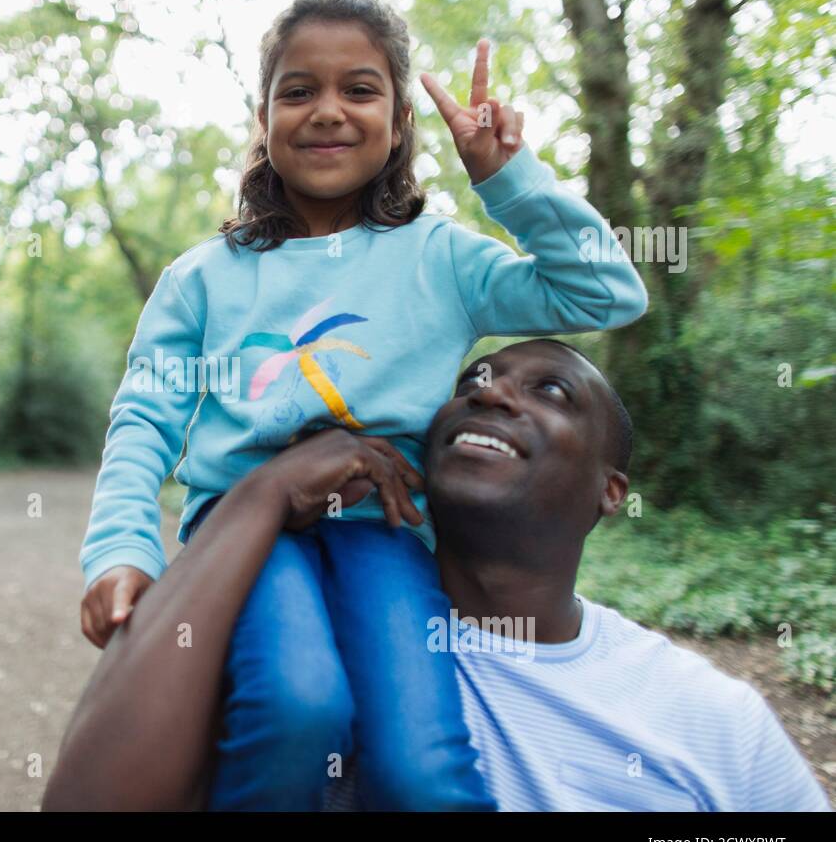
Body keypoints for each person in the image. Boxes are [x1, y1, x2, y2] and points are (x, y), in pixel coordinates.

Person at [77, 0, 649, 810]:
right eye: (299, 90)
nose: (328, 112)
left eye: (361, 89)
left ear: (400, 120)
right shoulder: (202, 278)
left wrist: (507, 179)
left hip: (387, 532)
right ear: (265, 116)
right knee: (297, 707)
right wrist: (119, 549)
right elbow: (144, 422)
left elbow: (603, 293)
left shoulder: (442, 257)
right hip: (246, 528)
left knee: (420, 764)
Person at [45, 339, 831, 812]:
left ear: (609, 492)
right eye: (473, 383)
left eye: (550, 392)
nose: (489, 390)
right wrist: (261, 492)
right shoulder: (295, 640)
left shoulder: (713, 719)